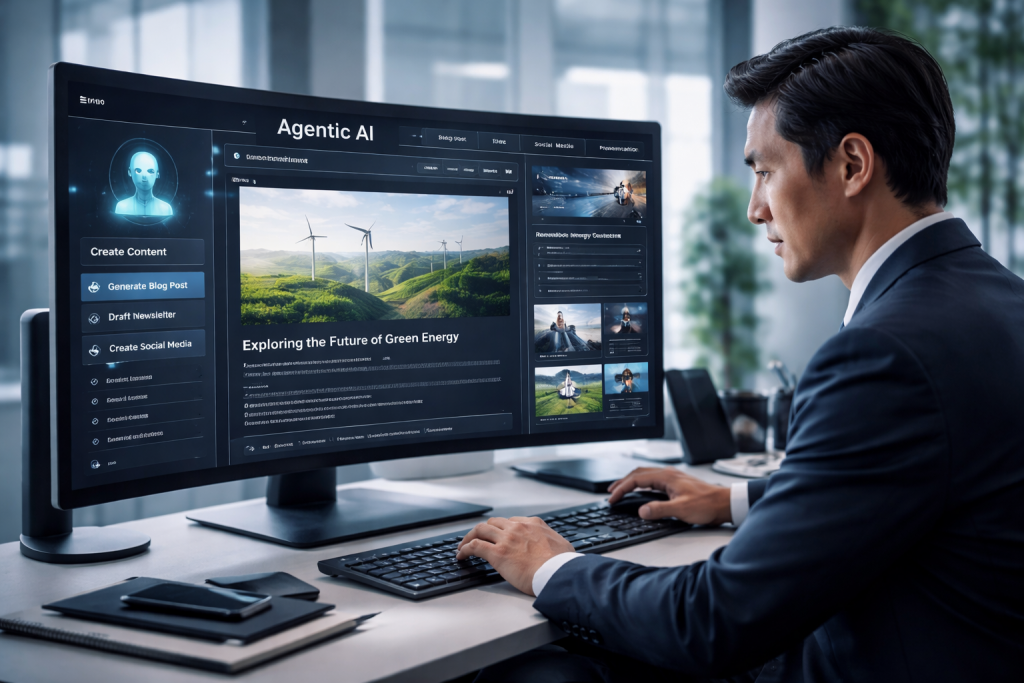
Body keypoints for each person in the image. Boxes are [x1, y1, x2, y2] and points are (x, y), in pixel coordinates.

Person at [459, 26, 1024, 682]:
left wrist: (551, 565)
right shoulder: (997, 302)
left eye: (764, 171)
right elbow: (922, 480)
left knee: (536, 673)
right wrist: (734, 499)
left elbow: (713, 622)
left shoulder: (883, 354)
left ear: (851, 165)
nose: (756, 209)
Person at [115, 150, 173, 216]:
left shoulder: (166, 209)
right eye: (138, 170)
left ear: (157, 174)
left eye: (150, 171)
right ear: (130, 172)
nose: (144, 176)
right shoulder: (122, 207)